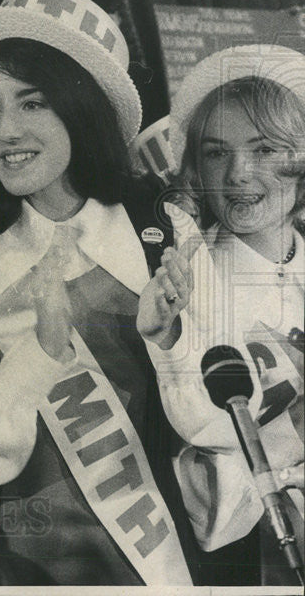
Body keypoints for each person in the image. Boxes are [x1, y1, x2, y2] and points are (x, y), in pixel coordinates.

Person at [0, 0, 199, 585]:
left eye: (32, 103)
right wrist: (38, 355)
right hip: (6, 570)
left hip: (158, 563)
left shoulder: (165, 228)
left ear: (81, 106)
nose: (5, 131)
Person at [137, 44, 305, 585]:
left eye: (264, 148)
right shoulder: (194, 271)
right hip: (255, 560)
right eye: (216, 152)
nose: (238, 173)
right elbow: (205, 428)